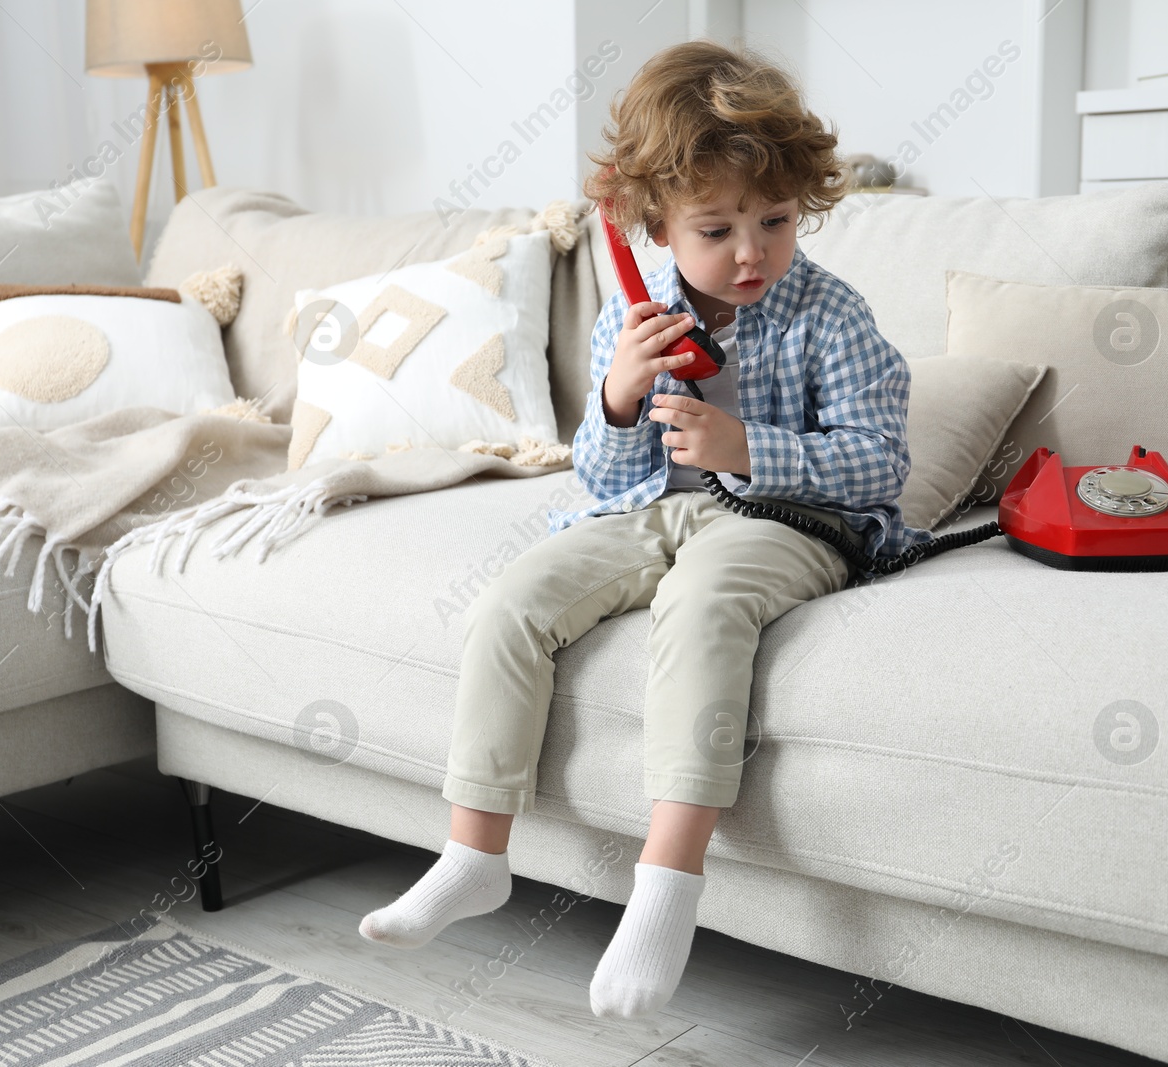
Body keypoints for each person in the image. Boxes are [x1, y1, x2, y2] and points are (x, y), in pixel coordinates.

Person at [358, 38, 931, 1021]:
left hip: (785, 519)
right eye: (716, 228)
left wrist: (746, 444)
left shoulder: (834, 315)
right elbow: (601, 473)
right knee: (513, 600)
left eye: (775, 220)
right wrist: (620, 399)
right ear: (653, 223)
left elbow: (880, 458)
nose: (751, 250)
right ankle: (472, 852)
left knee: (700, 604)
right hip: (648, 510)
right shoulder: (632, 317)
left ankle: (665, 887)